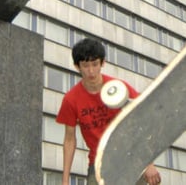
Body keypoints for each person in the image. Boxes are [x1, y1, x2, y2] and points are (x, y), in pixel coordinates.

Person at [56, 38, 160, 185]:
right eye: (85, 66)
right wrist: (65, 180)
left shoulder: (119, 88)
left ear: (103, 63)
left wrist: (148, 162)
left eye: (95, 64)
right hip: (99, 164)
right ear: (77, 66)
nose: (91, 71)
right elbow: (69, 140)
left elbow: (141, 122)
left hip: (130, 157)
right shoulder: (71, 99)